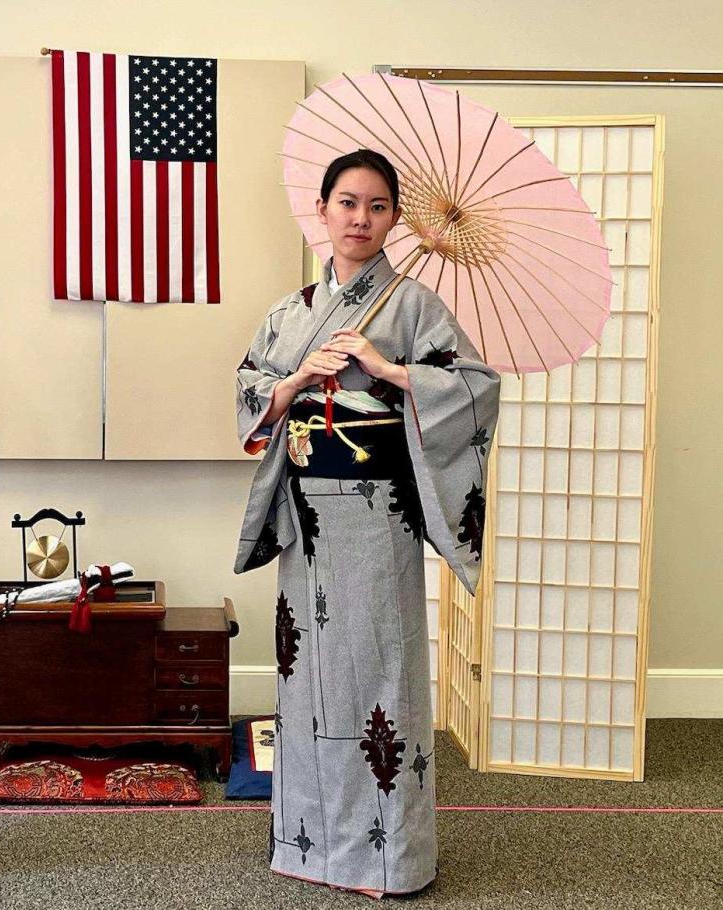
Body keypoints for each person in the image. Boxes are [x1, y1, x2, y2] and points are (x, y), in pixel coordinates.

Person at [234, 149, 499, 898]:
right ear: (323, 210)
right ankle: (307, 846)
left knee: (379, 671)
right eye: (347, 202)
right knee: (304, 676)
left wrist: (386, 371)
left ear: (394, 218)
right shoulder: (289, 312)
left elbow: (475, 388)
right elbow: (250, 388)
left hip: (376, 517)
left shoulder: (414, 306)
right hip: (306, 517)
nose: (361, 218)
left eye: (378, 206)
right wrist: (294, 381)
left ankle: (388, 857)